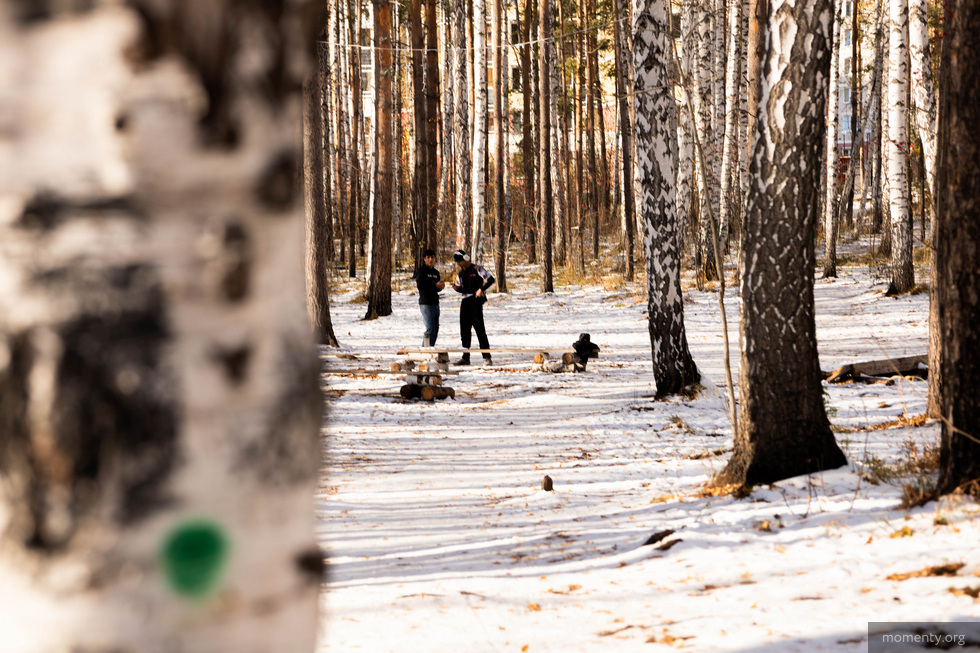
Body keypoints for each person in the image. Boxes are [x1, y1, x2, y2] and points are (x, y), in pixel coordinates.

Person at [451, 249, 495, 366]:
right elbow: (462, 288)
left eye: (460, 261)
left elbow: (491, 279)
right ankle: (465, 357)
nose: (459, 263)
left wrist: (482, 289)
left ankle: (487, 357)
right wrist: (456, 288)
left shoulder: (477, 269)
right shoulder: (460, 273)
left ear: (465, 258)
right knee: (464, 330)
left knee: (479, 329)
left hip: (475, 301)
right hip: (465, 302)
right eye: (457, 262)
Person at [416, 249, 445, 347]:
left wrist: (440, 287)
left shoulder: (436, 272)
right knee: (429, 328)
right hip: (426, 304)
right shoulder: (421, 271)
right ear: (424, 259)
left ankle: (431, 348)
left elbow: (436, 288)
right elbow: (421, 286)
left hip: (435, 303)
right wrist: (434, 285)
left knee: (435, 329)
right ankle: (425, 349)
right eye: (428, 257)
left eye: (432, 257)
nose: (430, 259)